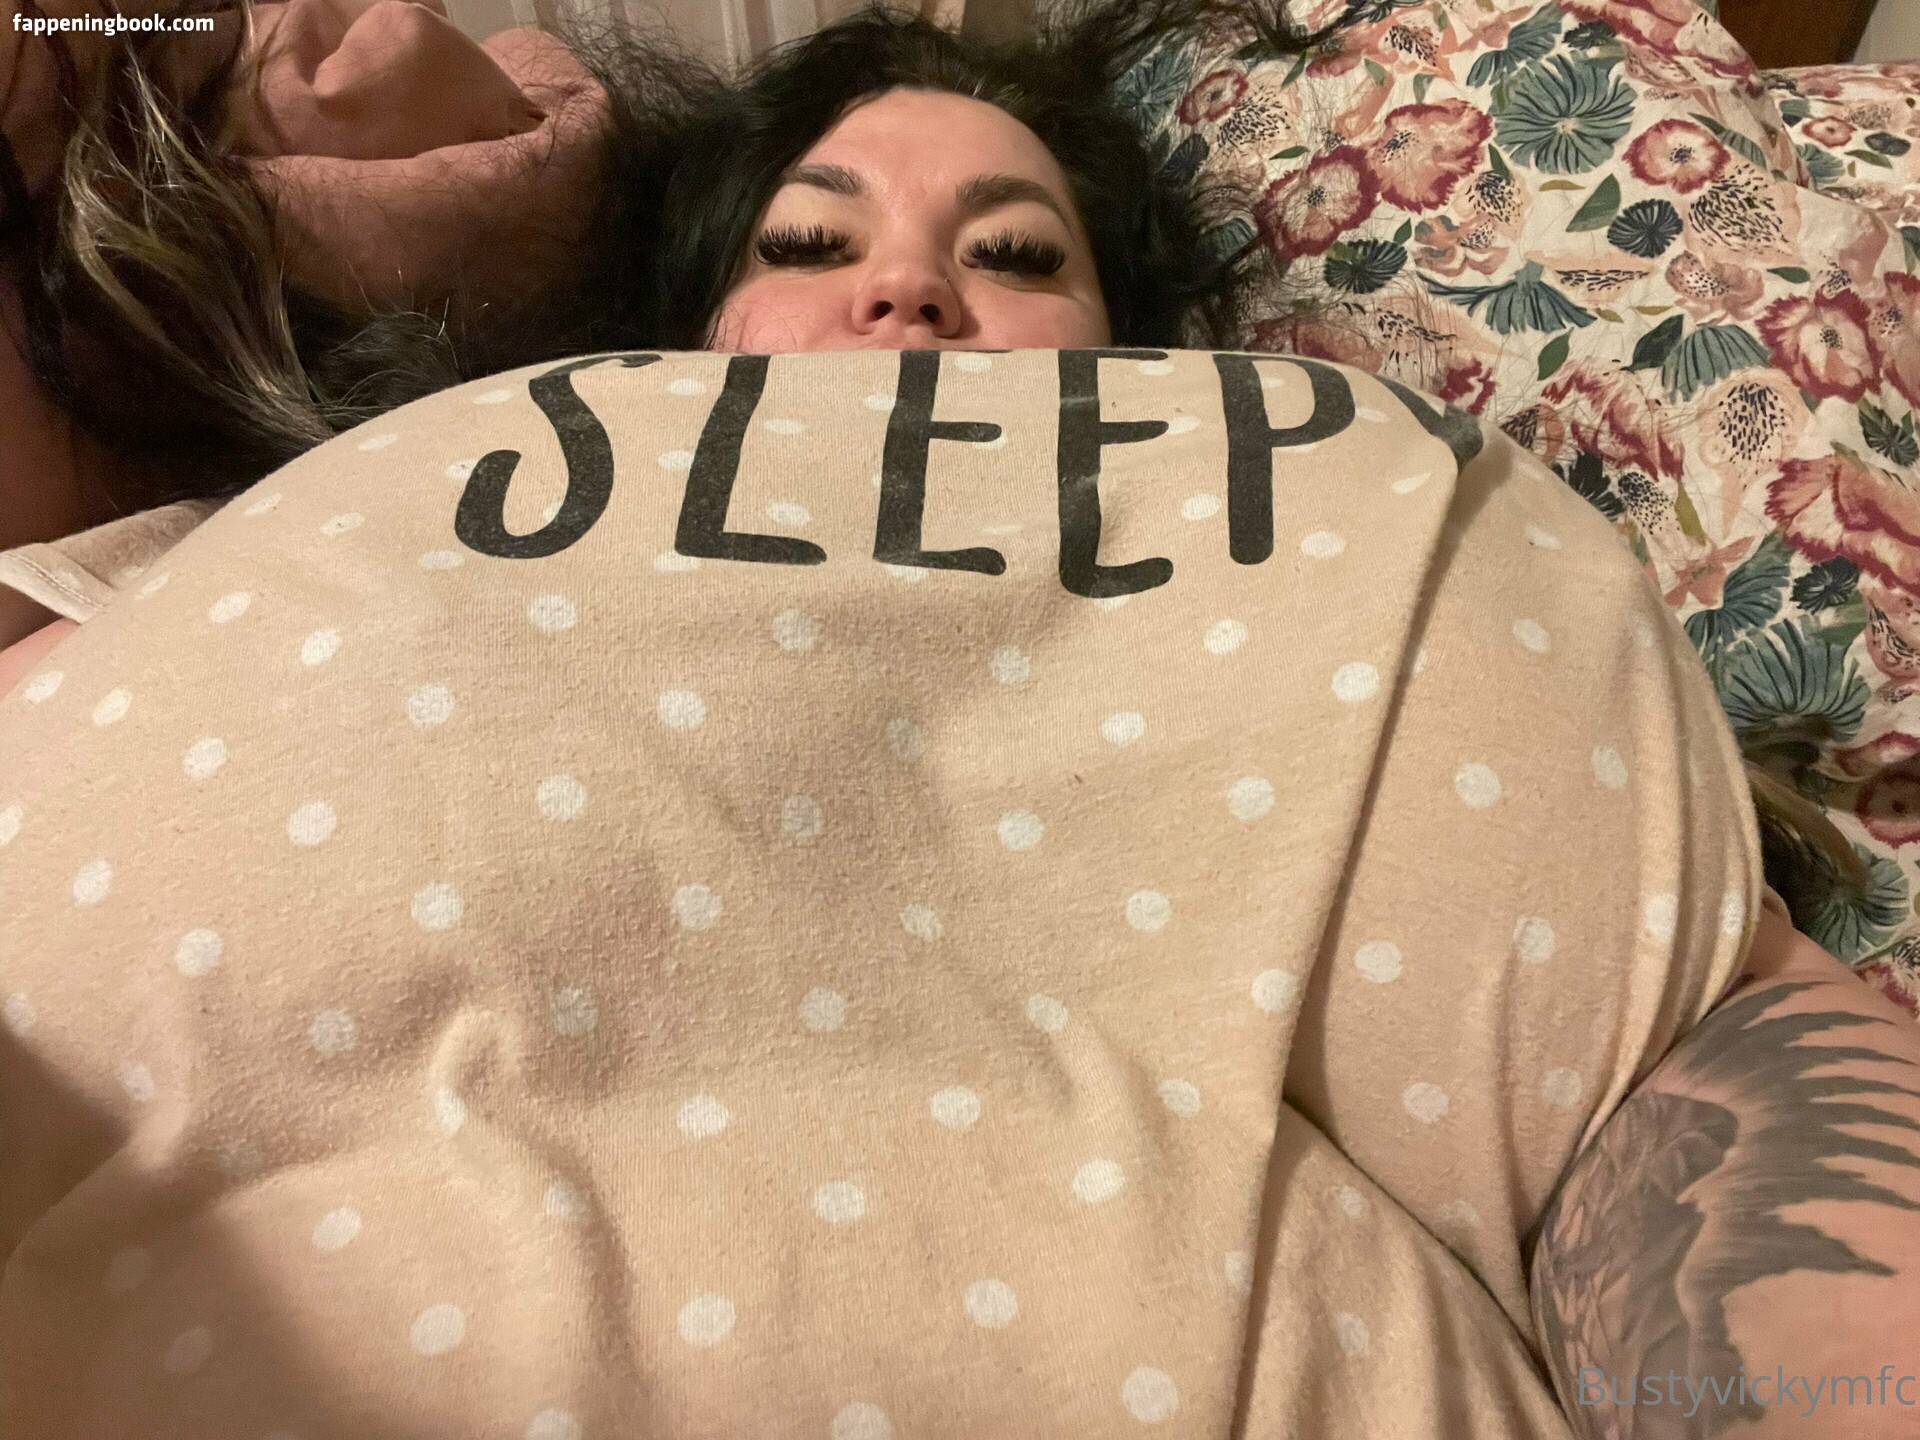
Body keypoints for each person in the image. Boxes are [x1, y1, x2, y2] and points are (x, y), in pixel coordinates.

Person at [0, 3, 1916, 1434]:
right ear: (681, 328)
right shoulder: (372, 495)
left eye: (1016, 256)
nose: (910, 287)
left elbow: (1675, 1057)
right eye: (805, 246)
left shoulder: (1314, 496)